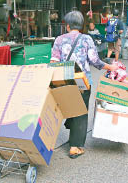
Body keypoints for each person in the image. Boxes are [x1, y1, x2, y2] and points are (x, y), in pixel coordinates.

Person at [50, 11, 118, 159]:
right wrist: (110, 67)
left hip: (64, 81)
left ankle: (72, 138)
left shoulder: (59, 40)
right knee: (81, 112)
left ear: (67, 26)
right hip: (82, 82)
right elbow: (95, 61)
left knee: (69, 107)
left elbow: (53, 62)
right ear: (81, 26)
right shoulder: (86, 39)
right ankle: (75, 147)